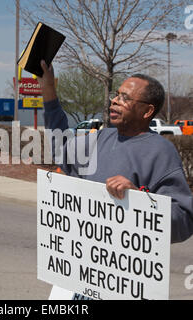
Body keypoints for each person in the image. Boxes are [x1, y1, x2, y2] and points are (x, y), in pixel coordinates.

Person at [38, 60, 193, 244]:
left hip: (127, 268)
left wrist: (138, 200)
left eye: (125, 98)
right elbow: (61, 149)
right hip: (89, 263)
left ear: (147, 111)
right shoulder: (102, 137)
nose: (114, 101)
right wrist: (48, 89)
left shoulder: (161, 151)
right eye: (116, 95)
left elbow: (183, 222)